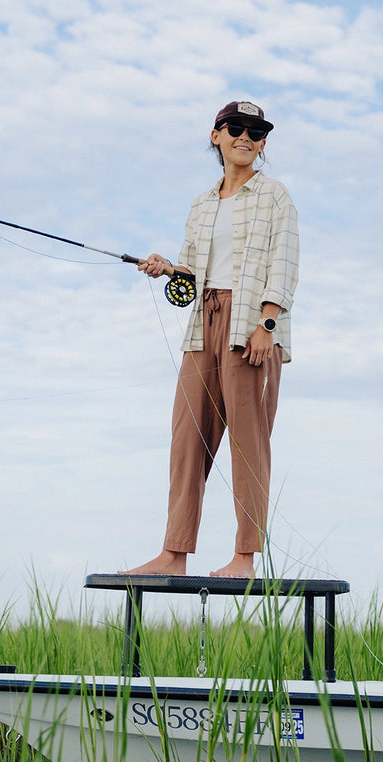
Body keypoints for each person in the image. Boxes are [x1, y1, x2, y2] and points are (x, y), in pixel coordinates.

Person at [122, 101, 299, 578]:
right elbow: (191, 274)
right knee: (187, 439)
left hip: (252, 328)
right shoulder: (201, 204)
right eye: (235, 128)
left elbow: (284, 264)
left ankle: (244, 558)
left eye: (255, 132)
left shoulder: (275, 196)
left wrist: (266, 326)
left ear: (263, 144)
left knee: (248, 443)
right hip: (204, 324)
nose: (245, 137)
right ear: (216, 135)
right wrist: (166, 268)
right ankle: (173, 554)